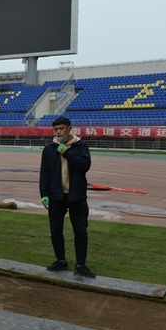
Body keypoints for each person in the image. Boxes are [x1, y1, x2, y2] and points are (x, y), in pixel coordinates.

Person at [39, 116, 96, 278]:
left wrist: (68, 152)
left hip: (76, 196)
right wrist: (44, 194)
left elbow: (85, 166)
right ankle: (61, 260)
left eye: (61, 129)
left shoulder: (81, 146)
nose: (58, 133)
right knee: (55, 230)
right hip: (56, 196)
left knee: (80, 230)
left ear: (69, 128)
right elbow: (44, 173)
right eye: (55, 130)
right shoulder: (49, 149)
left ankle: (80, 264)